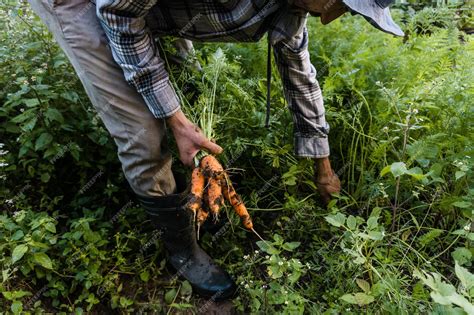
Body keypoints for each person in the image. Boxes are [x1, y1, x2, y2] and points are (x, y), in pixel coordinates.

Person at [29, 0, 403, 300]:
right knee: (145, 133)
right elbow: (117, 13)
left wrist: (324, 167)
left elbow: (300, 78)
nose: (331, 18)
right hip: (84, 5)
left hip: (145, 9)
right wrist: (175, 121)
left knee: (186, 82)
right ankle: (183, 251)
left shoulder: (294, 8)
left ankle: (199, 187)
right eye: (340, 5)